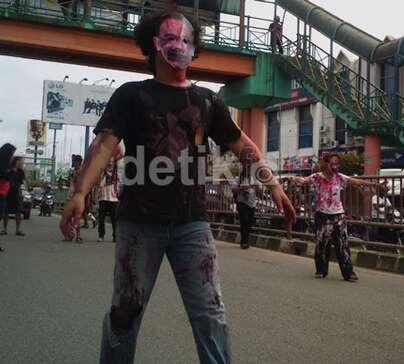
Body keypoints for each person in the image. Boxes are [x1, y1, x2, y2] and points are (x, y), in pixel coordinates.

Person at [60, 11, 295, 363]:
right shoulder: (131, 95)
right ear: (153, 43)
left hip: (192, 225)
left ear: (194, 47)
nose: (179, 46)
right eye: (170, 38)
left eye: (186, 40)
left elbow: (242, 145)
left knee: (210, 315)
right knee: (125, 314)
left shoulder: (207, 101)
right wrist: (80, 193)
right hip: (139, 223)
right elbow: (105, 145)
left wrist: (274, 186)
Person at [288, 153, 386, 280]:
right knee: (322, 244)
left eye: (337, 163)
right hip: (322, 215)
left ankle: (348, 273)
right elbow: (303, 180)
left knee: (343, 245)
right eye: (332, 163)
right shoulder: (317, 177)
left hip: (338, 216)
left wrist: (377, 185)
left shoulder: (340, 177)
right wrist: (293, 178)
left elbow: (356, 181)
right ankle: (321, 271)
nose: (335, 166)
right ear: (326, 164)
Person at [97, 146, 123, 242]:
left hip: (114, 198)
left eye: (111, 162)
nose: (109, 164)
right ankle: (101, 235)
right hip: (103, 198)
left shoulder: (117, 174)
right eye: (108, 162)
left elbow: (121, 154)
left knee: (114, 219)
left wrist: (114, 144)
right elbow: (97, 184)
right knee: (101, 218)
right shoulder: (102, 174)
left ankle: (115, 236)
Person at [0, 156, 26, 236]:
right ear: (16, 161)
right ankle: (4, 229)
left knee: (18, 211)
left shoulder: (21, 171)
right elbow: (5, 179)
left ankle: (18, 229)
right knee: (6, 211)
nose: (22, 163)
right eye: (21, 161)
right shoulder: (8, 170)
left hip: (16, 193)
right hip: (7, 192)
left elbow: (21, 181)